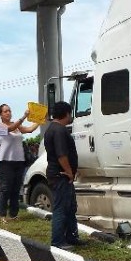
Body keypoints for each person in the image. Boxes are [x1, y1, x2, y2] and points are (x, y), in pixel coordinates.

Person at [44, 101, 82, 250]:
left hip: (60, 175)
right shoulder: (59, 130)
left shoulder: (52, 128)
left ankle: (72, 237)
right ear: (66, 113)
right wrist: (69, 172)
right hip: (60, 175)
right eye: (70, 113)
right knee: (61, 208)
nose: (71, 116)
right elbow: (62, 155)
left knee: (70, 207)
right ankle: (57, 242)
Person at [0, 103, 40, 222]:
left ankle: (13, 214)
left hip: (19, 161)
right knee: (5, 189)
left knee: (16, 188)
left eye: (9, 110)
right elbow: (10, 129)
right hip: (4, 162)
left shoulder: (17, 126)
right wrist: (24, 117)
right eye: (5, 111)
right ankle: (2, 214)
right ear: (0, 114)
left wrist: (40, 119)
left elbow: (30, 129)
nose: (8, 113)